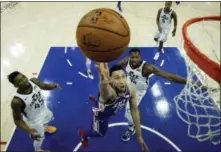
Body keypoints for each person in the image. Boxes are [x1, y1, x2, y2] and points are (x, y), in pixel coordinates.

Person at [117, 48, 188, 141]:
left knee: (127, 114)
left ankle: (131, 129)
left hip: (138, 91)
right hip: (128, 86)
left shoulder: (148, 68)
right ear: (129, 57)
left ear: (140, 57)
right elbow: (116, 68)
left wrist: (188, 82)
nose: (134, 60)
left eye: (137, 57)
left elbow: (169, 76)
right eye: (132, 57)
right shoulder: (126, 61)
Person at [79, 63, 149, 152]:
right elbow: (104, 87)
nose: (121, 80)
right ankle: (84, 135)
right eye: (117, 78)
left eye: (123, 76)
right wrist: (102, 78)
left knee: (102, 98)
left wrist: (139, 136)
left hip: (109, 107)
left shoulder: (130, 88)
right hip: (101, 116)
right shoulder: (110, 94)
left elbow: (134, 109)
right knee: (100, 133)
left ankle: (97, 99)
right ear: (111, 81)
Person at [8, 71, 60, 151]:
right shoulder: (17, 101)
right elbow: (17, 120)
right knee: (39, 138)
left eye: (23, 77)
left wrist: (53, 86)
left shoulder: (33, 81)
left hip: (43, 110)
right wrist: (29, 130)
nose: (24, 80)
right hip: (34, 121)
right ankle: (38, 150)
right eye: (19, 81)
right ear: (15, 85)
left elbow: (44, 86)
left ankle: (44, 128)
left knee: (47, 119)